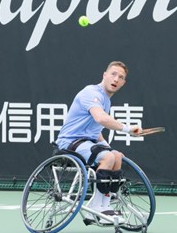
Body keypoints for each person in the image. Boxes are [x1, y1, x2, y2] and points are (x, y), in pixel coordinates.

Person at [55, 61, 141, 224]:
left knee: (115, 156)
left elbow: (96, 131)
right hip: (69, 142)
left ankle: (105, 206)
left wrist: (109, 148)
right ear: (105, 75)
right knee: (107, 158)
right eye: (113, 74)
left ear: (123, 83)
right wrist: (128, 129)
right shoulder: (91, 92)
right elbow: (100, 118)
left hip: (87, 143)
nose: (116, 79)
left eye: (121, 77)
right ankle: (96, 208)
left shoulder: (106, 101)